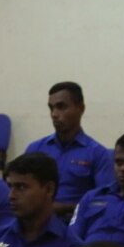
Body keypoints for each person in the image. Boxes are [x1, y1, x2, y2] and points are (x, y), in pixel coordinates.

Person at [25, 81, 114, 217]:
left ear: (81, 108)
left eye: (61, 107)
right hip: (34, 222)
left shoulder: (97, 154)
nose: (54, 114)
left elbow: (104, 202)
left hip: (75, 224)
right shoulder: (35, 149)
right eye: (51, 108)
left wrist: (63, 208)